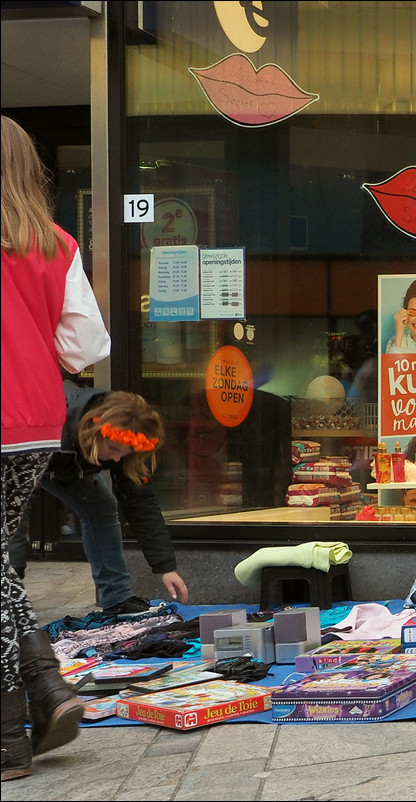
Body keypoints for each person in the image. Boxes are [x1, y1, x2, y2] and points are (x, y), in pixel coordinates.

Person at [1, 114, 111, 780]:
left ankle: (12, 735)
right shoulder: (56, 243)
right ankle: (47, 690)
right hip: (37, 421)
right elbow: (87, 347)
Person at [38, 383, 190, 617]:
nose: (117, 458)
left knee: (101, 506)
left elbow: (141, 503)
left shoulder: (123, 442)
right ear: (95, 430)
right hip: (22, 450)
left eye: (125, 452)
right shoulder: (57, 421)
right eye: (113, 448)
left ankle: (117, 599)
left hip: (66, 462)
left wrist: (166, 568)